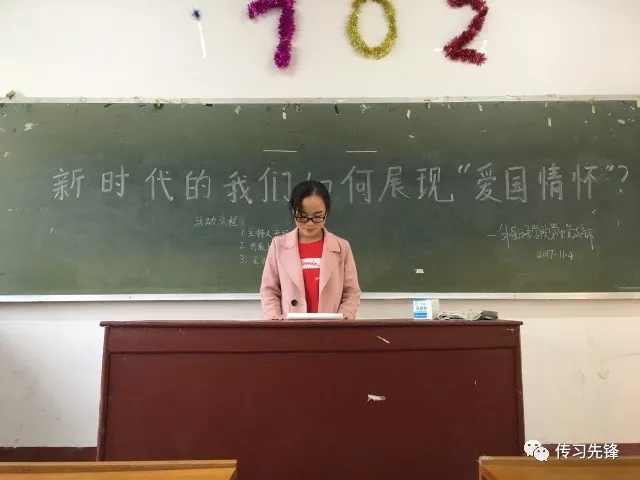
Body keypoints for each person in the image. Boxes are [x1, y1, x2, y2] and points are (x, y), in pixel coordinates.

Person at [260, 180, 361, 320]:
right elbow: (269, 290)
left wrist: (345, 316)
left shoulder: (342, 247)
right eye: (302, 216)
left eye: (317, 216)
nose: (309, 223)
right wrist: (273, 316)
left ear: (326, 212)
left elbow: (351, 292)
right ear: (293, 211)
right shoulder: (279, 245)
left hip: (331, 327)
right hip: (290, 327)